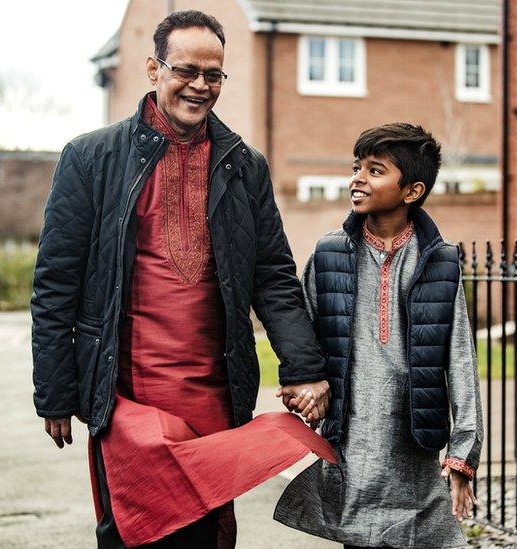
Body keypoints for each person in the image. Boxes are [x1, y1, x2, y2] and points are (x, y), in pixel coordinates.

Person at [30, 10, 330, 548]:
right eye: (186, 70)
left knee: (206, 535)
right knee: (134, 530)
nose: (200, 85)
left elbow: (275, 277)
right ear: (153, 68)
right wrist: (55, 392)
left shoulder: (245, 166)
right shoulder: (91, 159)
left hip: (212, 397)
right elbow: (55, 285)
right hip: (125, 395)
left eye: (213, 75)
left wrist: (304, 369)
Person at [274, 123, 484, 548]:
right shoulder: (329, 252)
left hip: (412, 441)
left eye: (374, 170)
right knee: (358, 538)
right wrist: (301, 383)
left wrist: (463, 453)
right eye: (357, 168)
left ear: (412, 190)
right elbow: (306, 335)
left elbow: (459, 358)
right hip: (350, 439)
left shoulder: (440, 262)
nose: (357, 179)